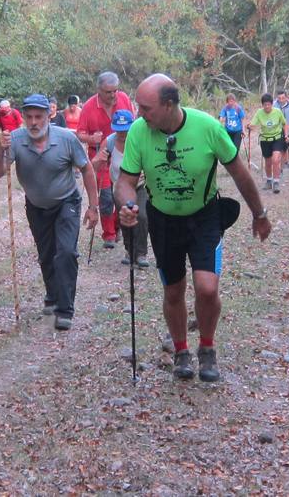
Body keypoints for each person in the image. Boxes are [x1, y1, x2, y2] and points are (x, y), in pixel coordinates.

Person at [115, 74, 270, 383]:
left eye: (146, 108)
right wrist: (128, 205)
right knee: (173, 290)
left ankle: (207, 348)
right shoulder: (138, 132)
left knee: (207, 288)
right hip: (162, 220)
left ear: (169, 104)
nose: (139, 114)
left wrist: (259, 213)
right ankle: (182, 351)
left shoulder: (208, 128)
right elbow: (126, 182)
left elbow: (239, 173)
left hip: (204, 216)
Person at [0, 94, 100, 331]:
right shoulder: (16, 140)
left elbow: (87, 169)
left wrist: (93, 206)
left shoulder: (66, 139)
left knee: (66, 252)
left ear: (49, 116)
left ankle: (64, 308)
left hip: (66, 202)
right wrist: (1, 150)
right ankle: (52, 293)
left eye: (38, 117)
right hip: (37, 206)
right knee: (46, 254)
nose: (33, 122)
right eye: (28, 117)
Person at [76, 72, 133, 248]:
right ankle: (108, 234)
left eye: (115, 90)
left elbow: (135, 123)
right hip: (101, 155)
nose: (113, 95)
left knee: (121, 195)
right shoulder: (89, 107)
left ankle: (118, 227)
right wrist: (92, 139)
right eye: (108, 92)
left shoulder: (124, 99)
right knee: (106, 197)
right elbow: (80, 134)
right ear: (99, 90)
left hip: (123, 151)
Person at [97, 109, 149, 268]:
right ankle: (129, 250)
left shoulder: (139, 139)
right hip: (118, 185)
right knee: (124, 217)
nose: (122, 133)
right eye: (118, 130)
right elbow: (94, 163)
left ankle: (141, 253)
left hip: (139, 184)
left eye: (125, 129)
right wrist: (100, 159)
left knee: (142, 216)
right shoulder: (110, 141)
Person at [249, 93, 286, 193]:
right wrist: (249, 126)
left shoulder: (278, 112)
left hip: (277, 138)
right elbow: (253, 124)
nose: (267, 106)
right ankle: (269, 180)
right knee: (268, 162)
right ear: (262, 105)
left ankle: (276, 182)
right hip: (265, 140)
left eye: (269, 104)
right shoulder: (259, 113)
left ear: (272, 104)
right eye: (265, 104)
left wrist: (286, 135)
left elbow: (284, 123)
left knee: (275, 160)